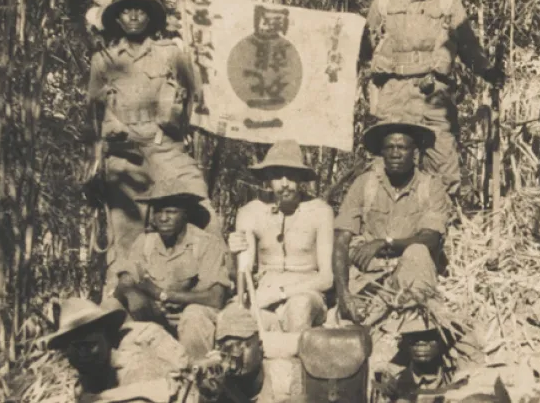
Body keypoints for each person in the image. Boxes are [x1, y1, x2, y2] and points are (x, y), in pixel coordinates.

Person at [87, 0, 223, 292]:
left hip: (166, 146)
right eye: (126, 10)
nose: (134, 16)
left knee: (203, 209)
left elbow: (196, 98)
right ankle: (122, 298)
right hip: (124, 154)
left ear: (150, 16)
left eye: (141, 10)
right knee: (127, 232)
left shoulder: (172, 53)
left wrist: (172, 124)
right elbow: (94, 113)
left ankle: (212, 287)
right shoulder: (103, 60)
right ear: (117, 18)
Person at [362, 0, 505, 195]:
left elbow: (469, 48)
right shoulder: (384, 2)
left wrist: (488, 71)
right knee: (390, 163)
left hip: (434, 95)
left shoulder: (447, 3)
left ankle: (440, 222)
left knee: (443, 165)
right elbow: (363, 46)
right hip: (394, 94)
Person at [333, 119, 451, 322]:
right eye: (389, 147)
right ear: (382, 152)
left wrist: (386, 244)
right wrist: (344, 295)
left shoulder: (430, 187)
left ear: (414, 152)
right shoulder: (365, 184)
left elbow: (430, 238)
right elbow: (341, 240)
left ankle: (412, 319)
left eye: (402, 147)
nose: (395, 153)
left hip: (411, 275)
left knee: (418, 251)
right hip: (368, 279)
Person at [112, 178, 232, 358]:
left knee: (194, 316)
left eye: (171, 212)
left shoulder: (206, 245)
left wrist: (163, 294)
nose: (163, 218)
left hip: (191, 319)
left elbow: (216, 298)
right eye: (158, 211)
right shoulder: (145, 242)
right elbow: (126, 277)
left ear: (185, 214)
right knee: (111, 307)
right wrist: (131, 293)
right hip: (154, 317)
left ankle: (196, 375)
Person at [228, 140, 334, 333]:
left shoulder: (320, 212)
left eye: (291, 176)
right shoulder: (250, 212)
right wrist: (234, 254)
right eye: (277, 176)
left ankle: (299, 360)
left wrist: (280, 293)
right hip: (263, 292)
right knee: (233, 322)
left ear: (301, 178)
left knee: (299, 308)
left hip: (305, 292)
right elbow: (244, 271)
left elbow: (327, 278)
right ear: (268, 178)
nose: (285, 184)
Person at [42, 297, 193, 402]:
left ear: (108, 338)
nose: (83, 354)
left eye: (89, 345)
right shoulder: (89, 375)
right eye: (75, 348)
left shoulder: (136, 359)